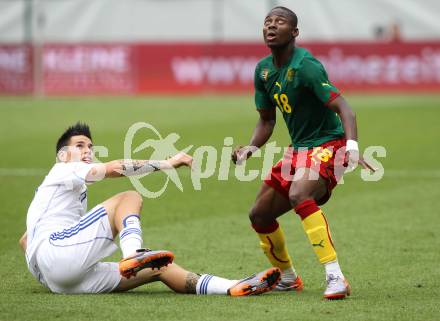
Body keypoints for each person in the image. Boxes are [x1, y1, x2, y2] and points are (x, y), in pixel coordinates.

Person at [20, 122, 281, 295]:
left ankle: (232, 287)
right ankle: (133, 253)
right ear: (62, 155)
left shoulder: (58, 192)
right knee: (127, 198)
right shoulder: (64, 168)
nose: (88, 150)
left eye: (90, 146)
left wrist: (49, 277)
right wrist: (168, 163)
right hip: (59, 257)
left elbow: (25, 241)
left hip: (61, 279)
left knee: (159, 267)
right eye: (79, 146)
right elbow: (114, 168)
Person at [231, 6, 374, 299]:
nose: (271, 26)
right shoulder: (263, 70)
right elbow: (267, 120)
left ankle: (335, 277)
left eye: (280, 22)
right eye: (267, 22)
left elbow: (345, 108)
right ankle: (288, 277)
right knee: (259, 215)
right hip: (298, 150)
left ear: (294, 32)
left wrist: (352, 147)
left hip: (328, 145)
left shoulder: (307, 65)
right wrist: (249, 148)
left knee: (300, 194)